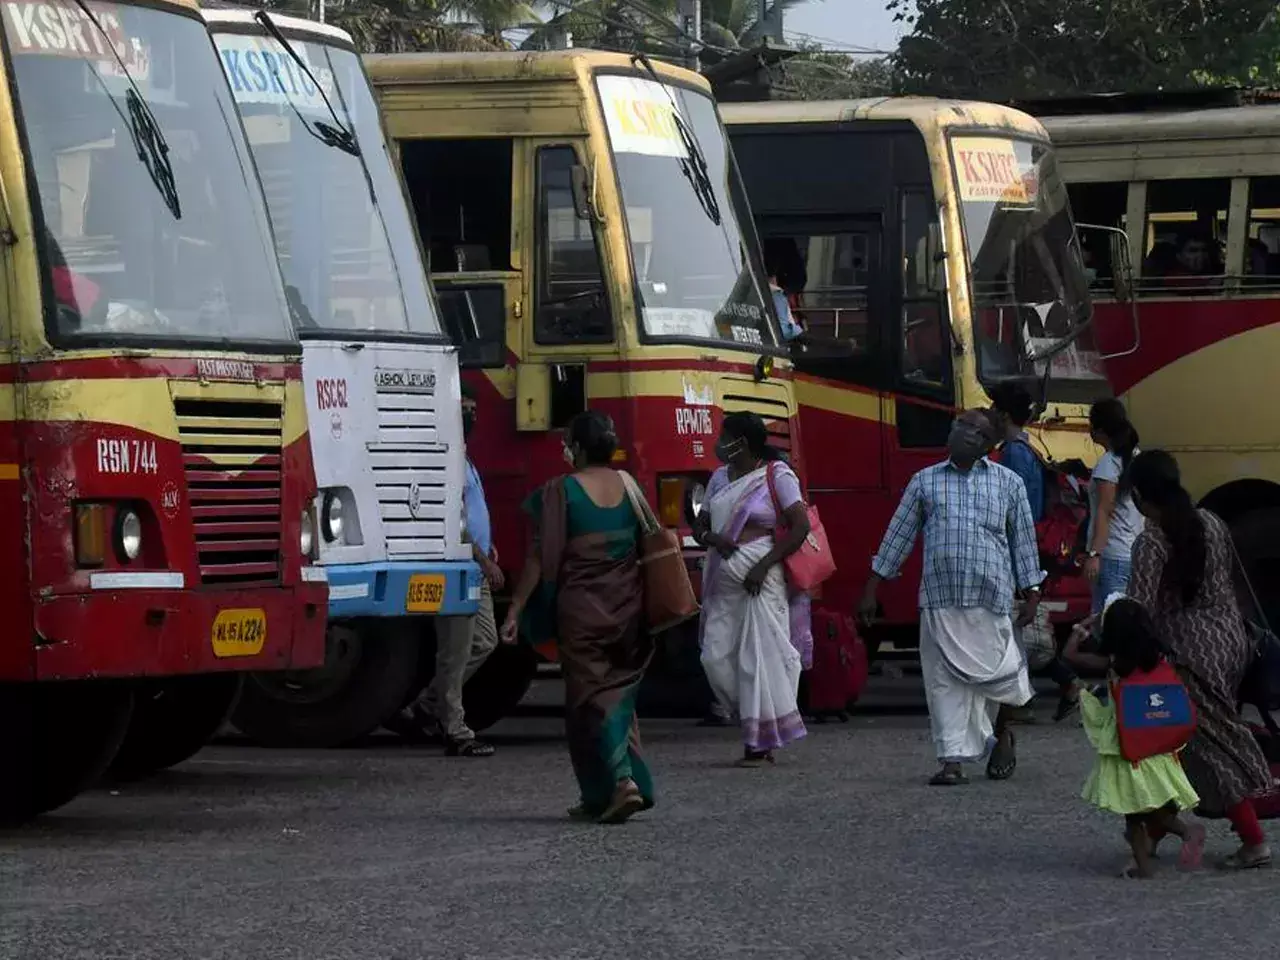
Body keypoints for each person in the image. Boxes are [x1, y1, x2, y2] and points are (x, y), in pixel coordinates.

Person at [859, 410, 1042, 785]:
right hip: (940, 599)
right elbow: (898, 537)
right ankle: (951, 761)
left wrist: (1033, 592)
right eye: (960, 425)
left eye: (974, 429)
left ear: (988, 444)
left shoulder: (1009, 483)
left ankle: (1003, 732)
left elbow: (1023, 541)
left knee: (1004, 677)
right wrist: (872, 588)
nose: (962, 432)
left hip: (991, 597)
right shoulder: (924, 482)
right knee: (942, 682)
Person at [501, 411, 653, 824]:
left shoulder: (560, 492)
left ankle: (622, 783)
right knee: (618, 693)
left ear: (580, 448)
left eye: (569, 440)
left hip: (581, 615)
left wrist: (514, 608)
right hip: (627, 611)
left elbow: (538, 557)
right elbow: (651, 542)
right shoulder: (630, 485)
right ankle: (597, 796)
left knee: (590, 701)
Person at [1125, 450, 1273, 869]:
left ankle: (1254, 841)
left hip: (1185, 656)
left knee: (1203, 748)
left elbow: (1139, 609)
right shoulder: (1212, 522)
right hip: (1229, 643)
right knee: (1177, 744)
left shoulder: (1151, 541)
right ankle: (1154, 835)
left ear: (1137, 495)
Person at [694, 411, 810, 766]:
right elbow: (700, 527)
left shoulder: (777, 476)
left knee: (760, 658)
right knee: (717, 657)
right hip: (723, 581)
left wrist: (762, 565)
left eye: (723, 435)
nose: (718, 442)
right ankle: (756, 725)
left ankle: (758, 741)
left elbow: (800, 527)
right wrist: (715, 538)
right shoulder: (718, 478)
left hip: (763, 581)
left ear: (740, 442)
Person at [392, 383, 501, 757]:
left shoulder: (464, 456)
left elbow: (473, 510)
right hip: (456, 568)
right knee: (453, 654)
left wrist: (488, 549)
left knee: (485, 641)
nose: (470, 416)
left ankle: (425, 707)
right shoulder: (442, 459)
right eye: (464, 409)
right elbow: (449, 519)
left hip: (476, 565)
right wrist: (482, 557)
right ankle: (455, 729)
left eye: (473, 409)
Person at [1065, 594, 1205, 879]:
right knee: (1156, 807)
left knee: (1133, 812)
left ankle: (1144, 867)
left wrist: (1080, 631)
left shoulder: (1117, 666)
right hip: (1159, 744)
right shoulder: (1159, 658)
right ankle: (1186, 831)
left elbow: (1069, 657)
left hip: (1130, 748)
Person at [988, 384, 1081, 722]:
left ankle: (1057, 686)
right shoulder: (1030, 449)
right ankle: (1025, 694)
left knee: (1015, 626)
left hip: (1016, 548)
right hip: (1031, 545)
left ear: (1001, 414)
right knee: (1017, 626)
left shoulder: (1012, 454)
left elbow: (1013, 509)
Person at [1083, 398, 1144, 615]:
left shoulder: (1108, 463)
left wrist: (1094, 555)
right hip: (1135, 554)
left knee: (1106, 622)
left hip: (1112, 556)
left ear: (1099, 429)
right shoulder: (1137, 458)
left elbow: (1104, 511)